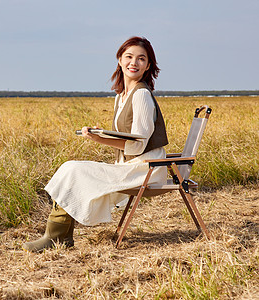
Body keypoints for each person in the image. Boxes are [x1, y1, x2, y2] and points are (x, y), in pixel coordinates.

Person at [22, 36, 169, 252]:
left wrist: (100, 138)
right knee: (70, 168)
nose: (134, 63)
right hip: (132, 166)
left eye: (141, 59)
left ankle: (57, 236)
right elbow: (128, 137)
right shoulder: (122, 95)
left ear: (148, 65)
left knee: (73, 169)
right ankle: (57, 235)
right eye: (129, 57)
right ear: (119, 60)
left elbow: (138, 144)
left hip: (146, 168)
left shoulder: (141, 95)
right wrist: (101, 134)